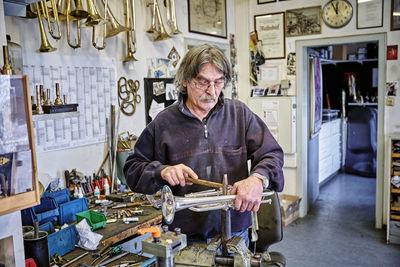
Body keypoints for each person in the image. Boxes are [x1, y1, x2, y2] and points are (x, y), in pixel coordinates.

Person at [124, 44, 284, 245]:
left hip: (236, 233)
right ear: (185, 80)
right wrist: (162, 172)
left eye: (219, 82)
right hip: (185, 238)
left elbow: (272, 154)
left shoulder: (239, 114)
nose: (212, 91)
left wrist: (258, 179)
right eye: (203, 82)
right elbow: (132, 168)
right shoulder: (163, 123)